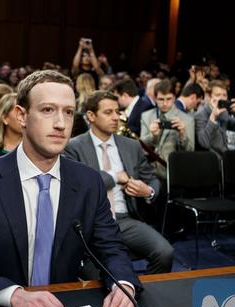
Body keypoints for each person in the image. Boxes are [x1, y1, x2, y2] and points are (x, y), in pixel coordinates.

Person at [0, 70, 141, 307]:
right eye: (48, 110)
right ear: (22, 116)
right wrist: (13, 294)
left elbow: (111, 247)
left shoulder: (89, 182)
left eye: (68, 112)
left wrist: (123, 284)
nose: (61, 123)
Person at [65, 90, 173, 274]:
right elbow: (81, 185)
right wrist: (115, 176)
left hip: (125, 219)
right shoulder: (73, 147)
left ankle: (147, 295)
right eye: (108, 112)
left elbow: (152, 179)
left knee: (165, 253)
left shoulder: (130, 146)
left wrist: (148, 191)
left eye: (118, 111)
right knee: (97, 273)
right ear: (91, 116)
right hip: (91, 222)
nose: (116, 117)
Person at [140, 80, 195, 179]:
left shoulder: (187, 120)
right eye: (161, 99)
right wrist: (153, 136)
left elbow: (190, 152)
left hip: (174, 172)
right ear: (155, 99)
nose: (165, 103)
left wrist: (182, 134)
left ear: (174, 98)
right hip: (149, 171)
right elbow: (141, 146)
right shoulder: (146, 116)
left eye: (168, 99)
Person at [194, 80, 235, 156]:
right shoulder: (200, 115)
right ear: (208, 96)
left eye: (224, 95)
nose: (222, 98)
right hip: (211, 161)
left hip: (225, 157)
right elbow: (204, 143)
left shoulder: (223, 112)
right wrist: (213, 116)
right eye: (218, 95)